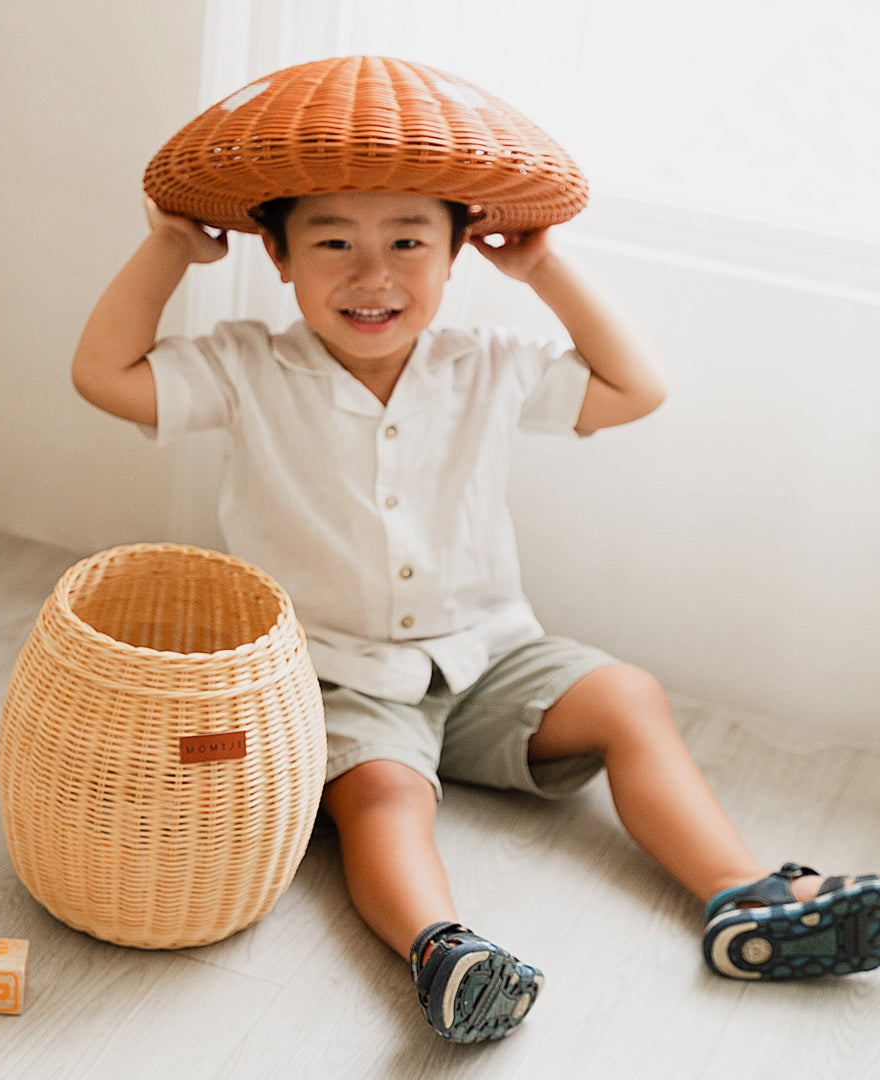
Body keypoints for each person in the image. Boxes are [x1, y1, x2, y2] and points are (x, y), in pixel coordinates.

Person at [72, 188, 880, 1044]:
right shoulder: (246, 366)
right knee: (381, 795)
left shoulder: (487, 363)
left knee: (628, 696)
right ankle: (441, 951)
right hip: (338, 676)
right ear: (278, 258)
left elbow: (637, 386)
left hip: (490, 656)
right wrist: (168, 249)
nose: (373, 274)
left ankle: (743, 896)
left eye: (411, 242)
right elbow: (103, 376)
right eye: (334, 242)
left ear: (457, 254)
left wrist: (542, 266)